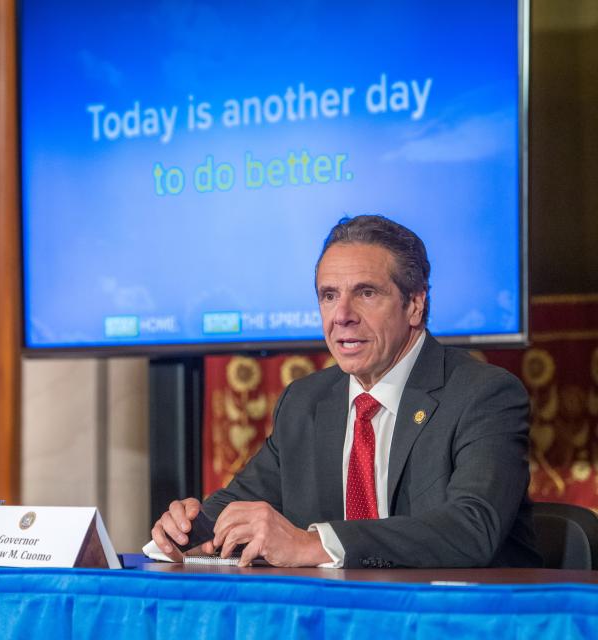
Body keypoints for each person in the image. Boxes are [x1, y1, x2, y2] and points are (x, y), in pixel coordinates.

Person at [151, 215, 540, 568]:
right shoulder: (306, 401)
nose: (342, 315)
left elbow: (472, 527)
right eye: (329, 295)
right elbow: (244, 499)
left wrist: (314, 544)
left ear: (415, 305)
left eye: (366, 293)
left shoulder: (483, 394)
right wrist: (187, 528)